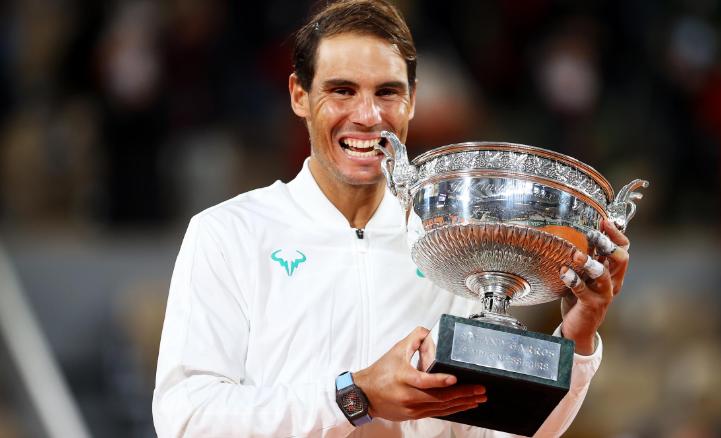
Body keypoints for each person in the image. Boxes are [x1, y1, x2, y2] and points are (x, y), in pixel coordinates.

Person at [152, 1, 632, 436]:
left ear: (413, 99)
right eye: (342, 91)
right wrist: (353, 396)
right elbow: (187, 418)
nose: (367, 115)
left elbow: (497, 432)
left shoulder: (453, 244)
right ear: (299, 95)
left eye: (387, 92)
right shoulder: (229, 234)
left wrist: (579, 335)